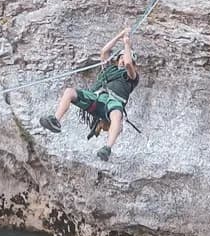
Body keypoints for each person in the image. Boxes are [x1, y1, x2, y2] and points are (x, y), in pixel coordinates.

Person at [37, 27, 140, 160]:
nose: (122, 60)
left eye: (123, 58)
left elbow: (128, 64)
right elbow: (104, 51)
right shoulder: (109, 70)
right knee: (69, 92)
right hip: (97, 98)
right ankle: (55, 120)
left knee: (117, 115)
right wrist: (120, 35)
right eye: (120, 58)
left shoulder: (132, 76)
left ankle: (107, 148)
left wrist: (127, 45)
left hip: (113, 103)